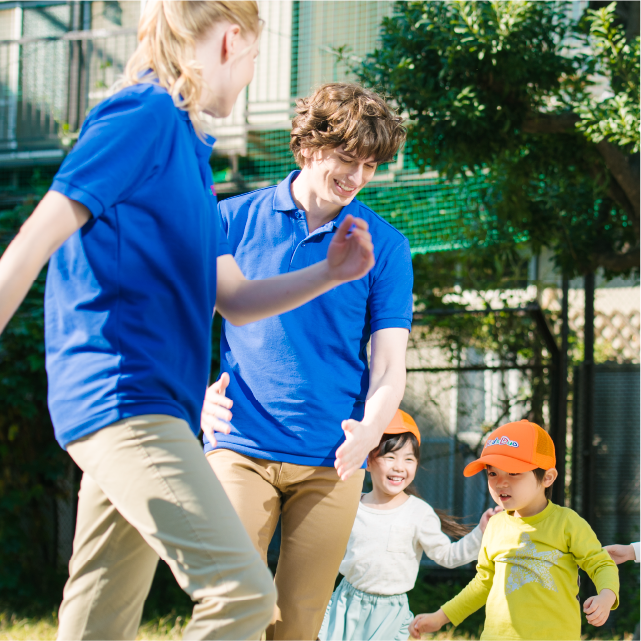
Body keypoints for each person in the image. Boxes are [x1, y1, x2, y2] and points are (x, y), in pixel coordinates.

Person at [0, 2, 377, 639]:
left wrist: (331, 274)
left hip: (154, 410)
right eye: (256, 57)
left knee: (100, 612)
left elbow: (235, 297)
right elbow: (37, 237)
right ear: (232, 41)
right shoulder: (143, 115)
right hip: (124, 400)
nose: (252, 72)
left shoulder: (189, 157)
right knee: (244, 595)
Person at [201, 82, 413, 641]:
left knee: (296, 626)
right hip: (239, 448)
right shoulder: (231, 220)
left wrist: (370, 431)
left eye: (371, 165)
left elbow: (390, 364)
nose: (359, 177)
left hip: (332, 459)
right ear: (310, 146)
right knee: (234, 607)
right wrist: (194, 396)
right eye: (349, 159)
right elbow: (175, 324)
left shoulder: (385, 246)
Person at [409, 419, 620, 641]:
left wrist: (606, 595)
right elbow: (482, 583)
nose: (501, 483)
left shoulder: (567, 523)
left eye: (514, 473)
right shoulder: (495, 525)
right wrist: (440, 617)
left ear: (547, 477)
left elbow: (601, 563)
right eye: (493, 474)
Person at [318, 409, 499, 641]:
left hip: (390, 613)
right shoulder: (351, 505)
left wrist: (480, 532)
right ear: (369, 461)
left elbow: (449, 556)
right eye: (390, 457)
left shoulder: (419, 513)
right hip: (347, 604)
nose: (399, 467)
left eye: (409, 459)